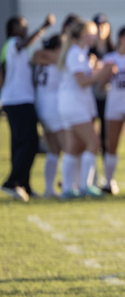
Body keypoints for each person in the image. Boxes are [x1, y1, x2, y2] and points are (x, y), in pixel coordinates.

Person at [0, 13, 55, 200]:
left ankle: (24, 185)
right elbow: (25, 43)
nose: (25, 29)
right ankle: (12, 183)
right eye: (22, 26)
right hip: (18, 101)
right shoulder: (14, 43)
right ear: (13, 29)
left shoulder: (16, 49)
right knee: (30, 143)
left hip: (20, 100)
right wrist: (44, 26)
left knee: (21, 144)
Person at [57, 20, 115, 198]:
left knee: (74, 146)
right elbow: (82, 81)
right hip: (75, 105)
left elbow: (84, 77)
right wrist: (103, 71)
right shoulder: (75, 53)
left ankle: (68, 188)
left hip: (71, 104)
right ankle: (85, 185)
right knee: (93, 143)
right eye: (91, 33)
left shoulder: (79, 52)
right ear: (83, 35)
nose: (95, 37)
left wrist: (95, 69)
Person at [101, 26, 125, 195]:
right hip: (115, 104)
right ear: (121, 37)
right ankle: (108, 182)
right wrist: (107, 73)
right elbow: (100, 86)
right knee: (112, 144)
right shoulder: (110, 58)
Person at [32, 35, 63, 198]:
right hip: (53, 108)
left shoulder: (44, 59)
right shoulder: (57, 61)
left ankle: (49, 189)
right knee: (69, 148)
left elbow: (37, 54)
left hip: (43, 107)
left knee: (54, 150)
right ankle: (71, 186)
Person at [91, 13, 114, 160]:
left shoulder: (114, 51)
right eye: (98, 26)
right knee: (89, 138)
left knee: (107, 137)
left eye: (103, 25)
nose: (101, 29)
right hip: (90, 98)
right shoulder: (87, 52)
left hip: (108, 99)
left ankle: (107, 176)